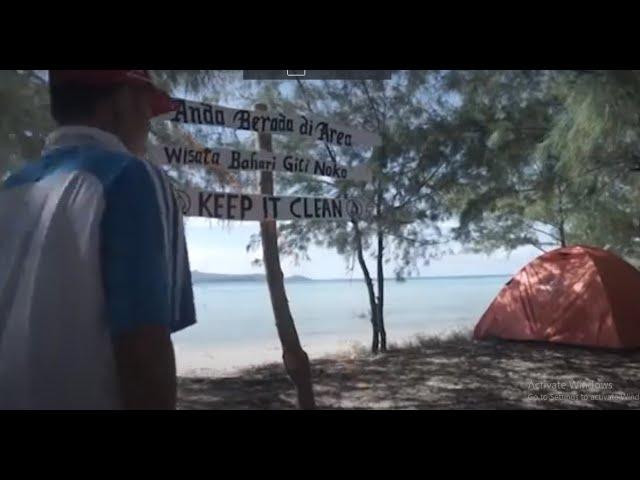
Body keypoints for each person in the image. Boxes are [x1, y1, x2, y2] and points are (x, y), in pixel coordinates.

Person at [0, 70, 197, 410]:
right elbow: (144, 345)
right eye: (147, 109)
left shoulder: (10, 189)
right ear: (121, 103)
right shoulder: (131, 177)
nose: (148, 126)